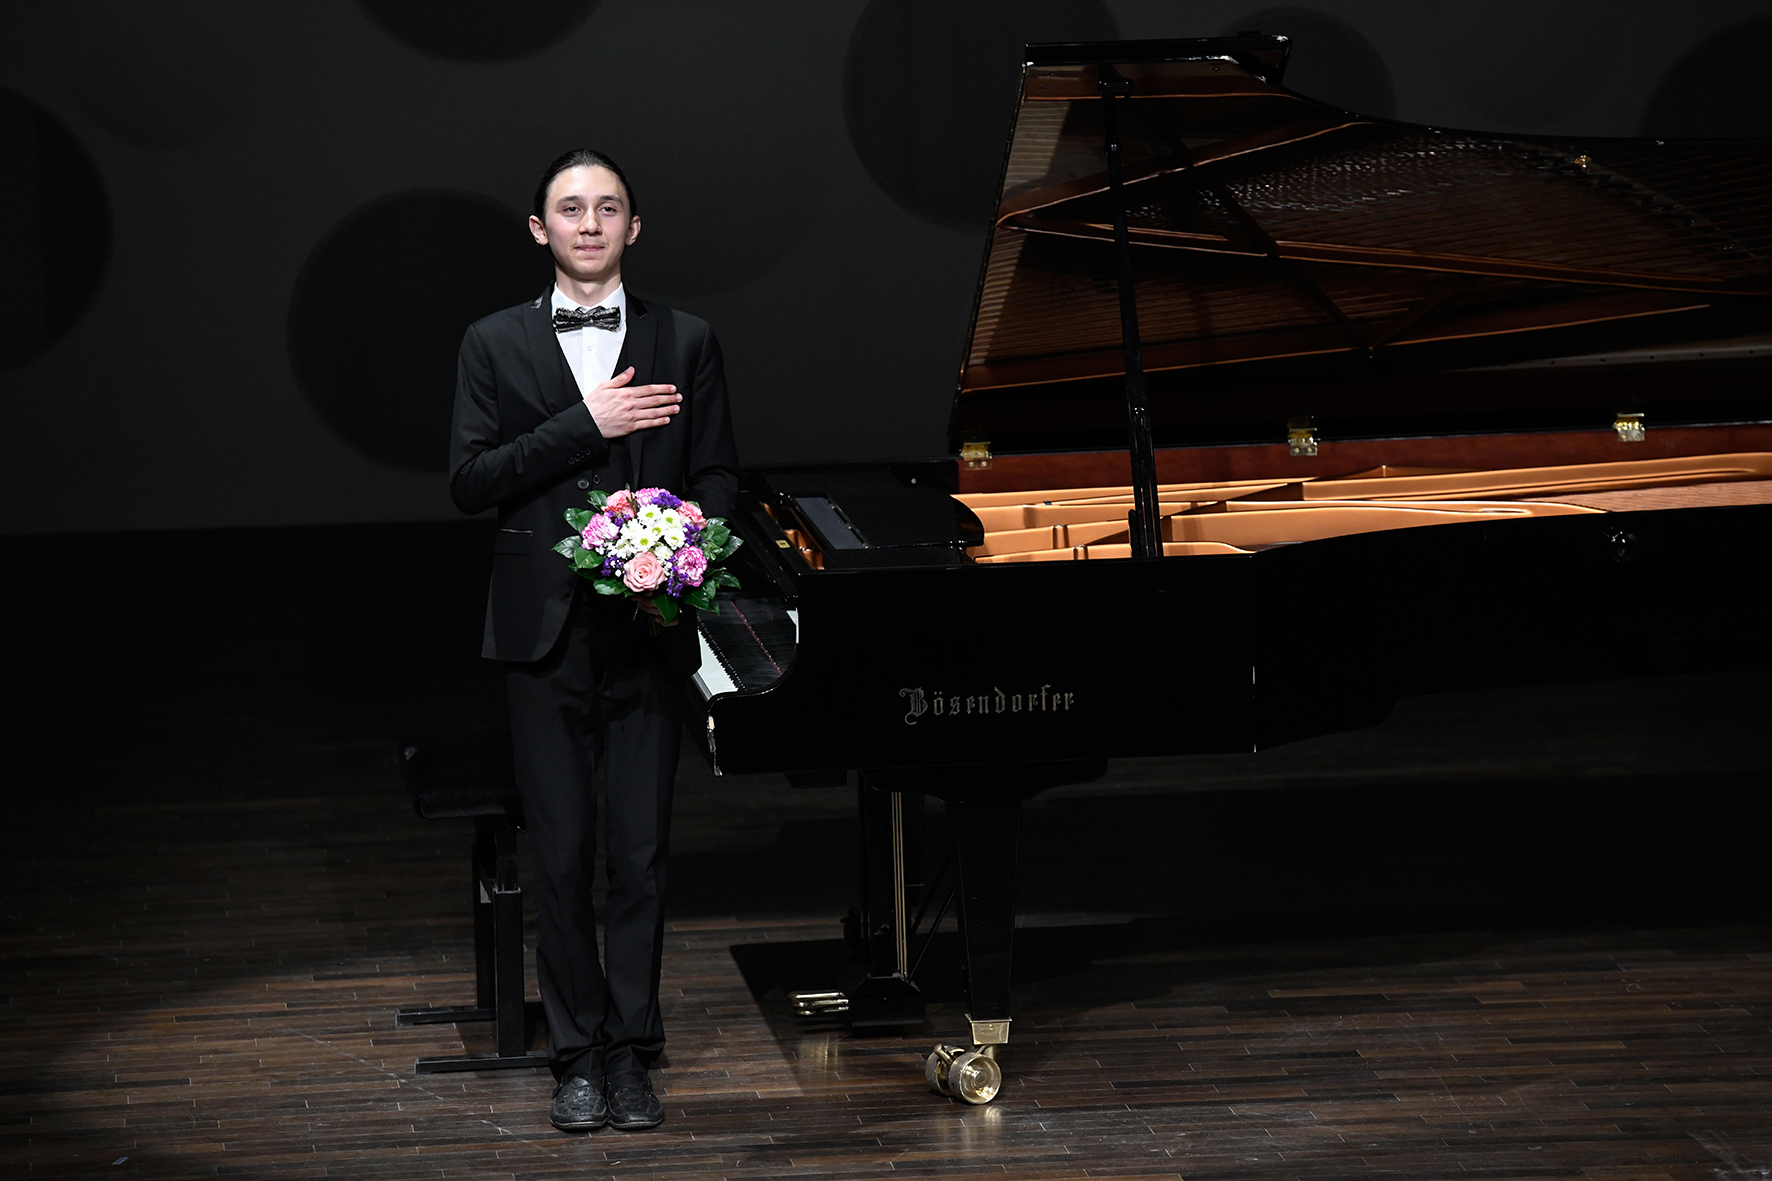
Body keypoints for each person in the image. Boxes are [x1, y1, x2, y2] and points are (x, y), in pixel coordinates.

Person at [449, 148, 739, 1133]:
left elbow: (718, 475)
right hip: (543, 633)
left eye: (607, 207)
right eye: (570, 209)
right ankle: (575, 1054)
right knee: (564, 854)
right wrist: (588, 421)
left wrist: (683, 543)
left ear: (632, 227)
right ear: (541, 229)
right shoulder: (492, 341)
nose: (588, 223)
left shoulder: (686, 338)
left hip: (648, 629)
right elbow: (472, 480)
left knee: (642, 855)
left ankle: (632, 1050)